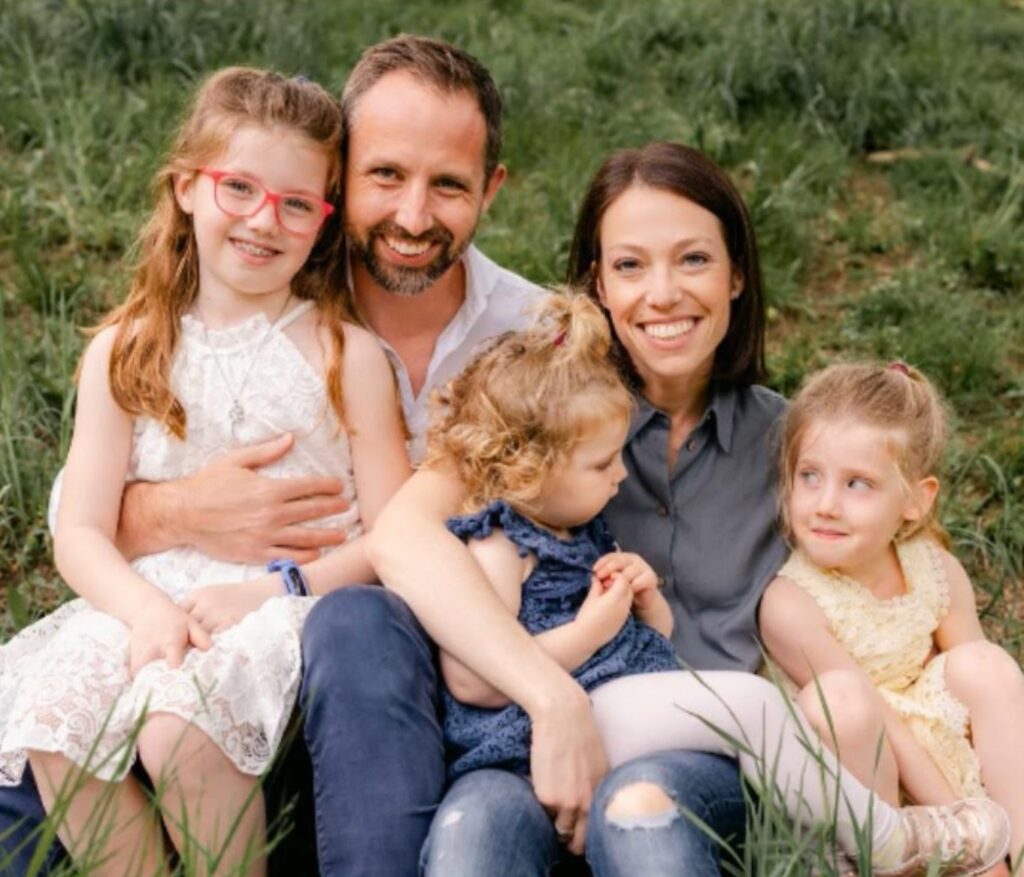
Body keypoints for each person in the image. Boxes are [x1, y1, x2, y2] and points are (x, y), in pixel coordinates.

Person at [417, 290, 1010, 877]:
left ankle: (861, 838)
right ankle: (886, 838)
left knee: (747, 711)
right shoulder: (500, 546)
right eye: (602, 464)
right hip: (529, 733)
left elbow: (659, 643)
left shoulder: (580, 532)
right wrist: (590, 631)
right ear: (529, 466)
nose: (622, 474)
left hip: (609, 710)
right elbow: (475, 679)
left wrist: (646, 604)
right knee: (752, 706)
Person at [0, 67, 410, 876]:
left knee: (176, 728)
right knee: (53, 721)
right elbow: (78, 528)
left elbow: (399, 536)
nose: (266, 220)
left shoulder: (345, 355)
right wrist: (141, 607)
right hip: (143, 601)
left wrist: (270, 590)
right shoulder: (125, 348)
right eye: (239, 189)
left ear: (324, 220)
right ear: (188, 186)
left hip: (278, 600)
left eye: (297, 203)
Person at [759, 362, 1024, 874]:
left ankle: (1018, 850)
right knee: (843, 701)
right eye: (809, 477)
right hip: (859, 779)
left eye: (857, 484)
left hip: (937, 758)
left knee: (985, 664)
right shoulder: (791, 602)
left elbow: (978, 707)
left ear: (915, 500)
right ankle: (909, 866)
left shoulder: (934, 568)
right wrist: (964, 835)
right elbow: (878, 723)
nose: (826, 505)